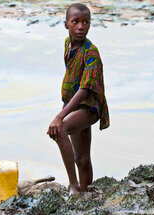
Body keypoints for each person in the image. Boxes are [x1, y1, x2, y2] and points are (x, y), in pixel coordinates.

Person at [46, 3, 109, 195]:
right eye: (76, 22)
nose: (81, 27)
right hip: (74, 105)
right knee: (81, 158)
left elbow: (85, 89)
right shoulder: (68, 43)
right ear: (67, 25)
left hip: (88, 107)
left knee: (61, 129)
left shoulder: (91, 53)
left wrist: (60, 115)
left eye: (86, 22)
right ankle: (85, 193)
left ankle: (73, 186)